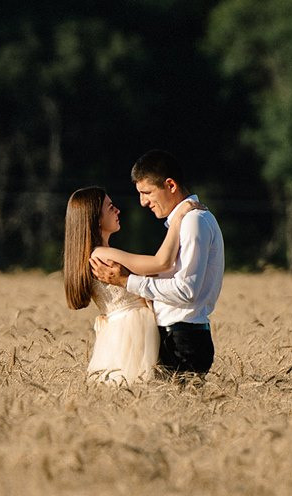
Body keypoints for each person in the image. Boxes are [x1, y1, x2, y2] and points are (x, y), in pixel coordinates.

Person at [91, 149, 224, 377]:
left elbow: (186, 290)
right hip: (175, 336)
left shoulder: (193, 221)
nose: (143, 202)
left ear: (170, 185)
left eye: (147, 192)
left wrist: (127, 281)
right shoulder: (185, 222)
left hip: (182, 339)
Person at [63, 186, 158, 383]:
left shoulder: (94, 255)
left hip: (118, 332)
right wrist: (178, 222)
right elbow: (160, 264)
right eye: (110, 207)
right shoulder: (103, 255)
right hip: (133, 330)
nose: (118, 211)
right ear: (96, 218)